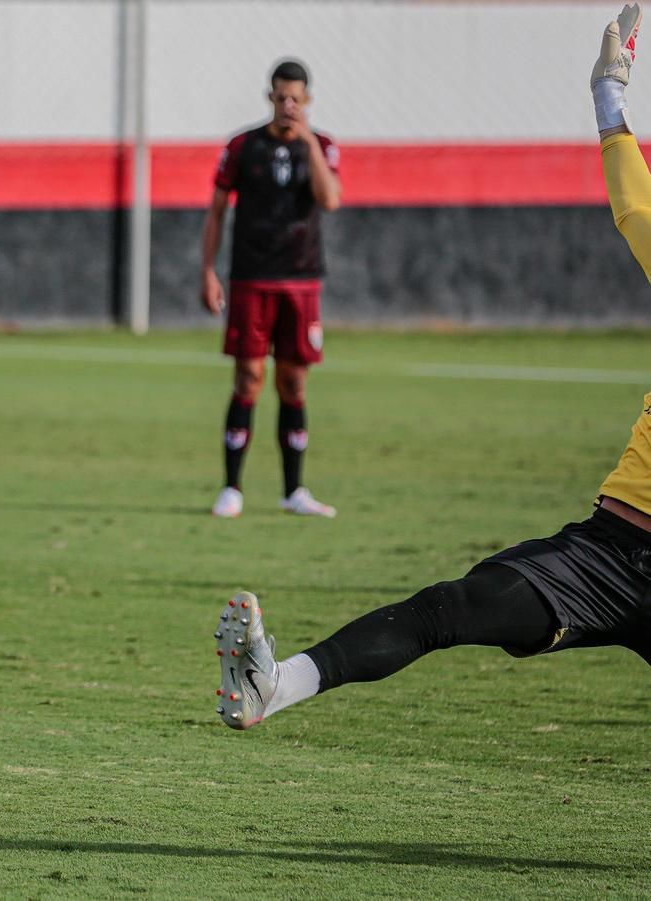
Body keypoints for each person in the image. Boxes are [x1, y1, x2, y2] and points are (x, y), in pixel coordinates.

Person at [214, 5, 651, 731]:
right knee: (446, 608)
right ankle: (276, 682)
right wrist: (608, 98)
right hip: (603, 554)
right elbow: (634, 207)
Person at [201, 59, 341, 519]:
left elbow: (330, 200)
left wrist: (307, 145)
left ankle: (294, 490)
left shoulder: (321, 146)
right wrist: (208, 270)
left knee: (293, 381)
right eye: (281, 97)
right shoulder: (243, 146)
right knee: (248, 378)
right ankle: (231, 487)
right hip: (251, 278)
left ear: (307, 101)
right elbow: (218, 210)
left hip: (301, 281)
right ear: (269, 97)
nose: (287, 106)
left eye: (296, 99)